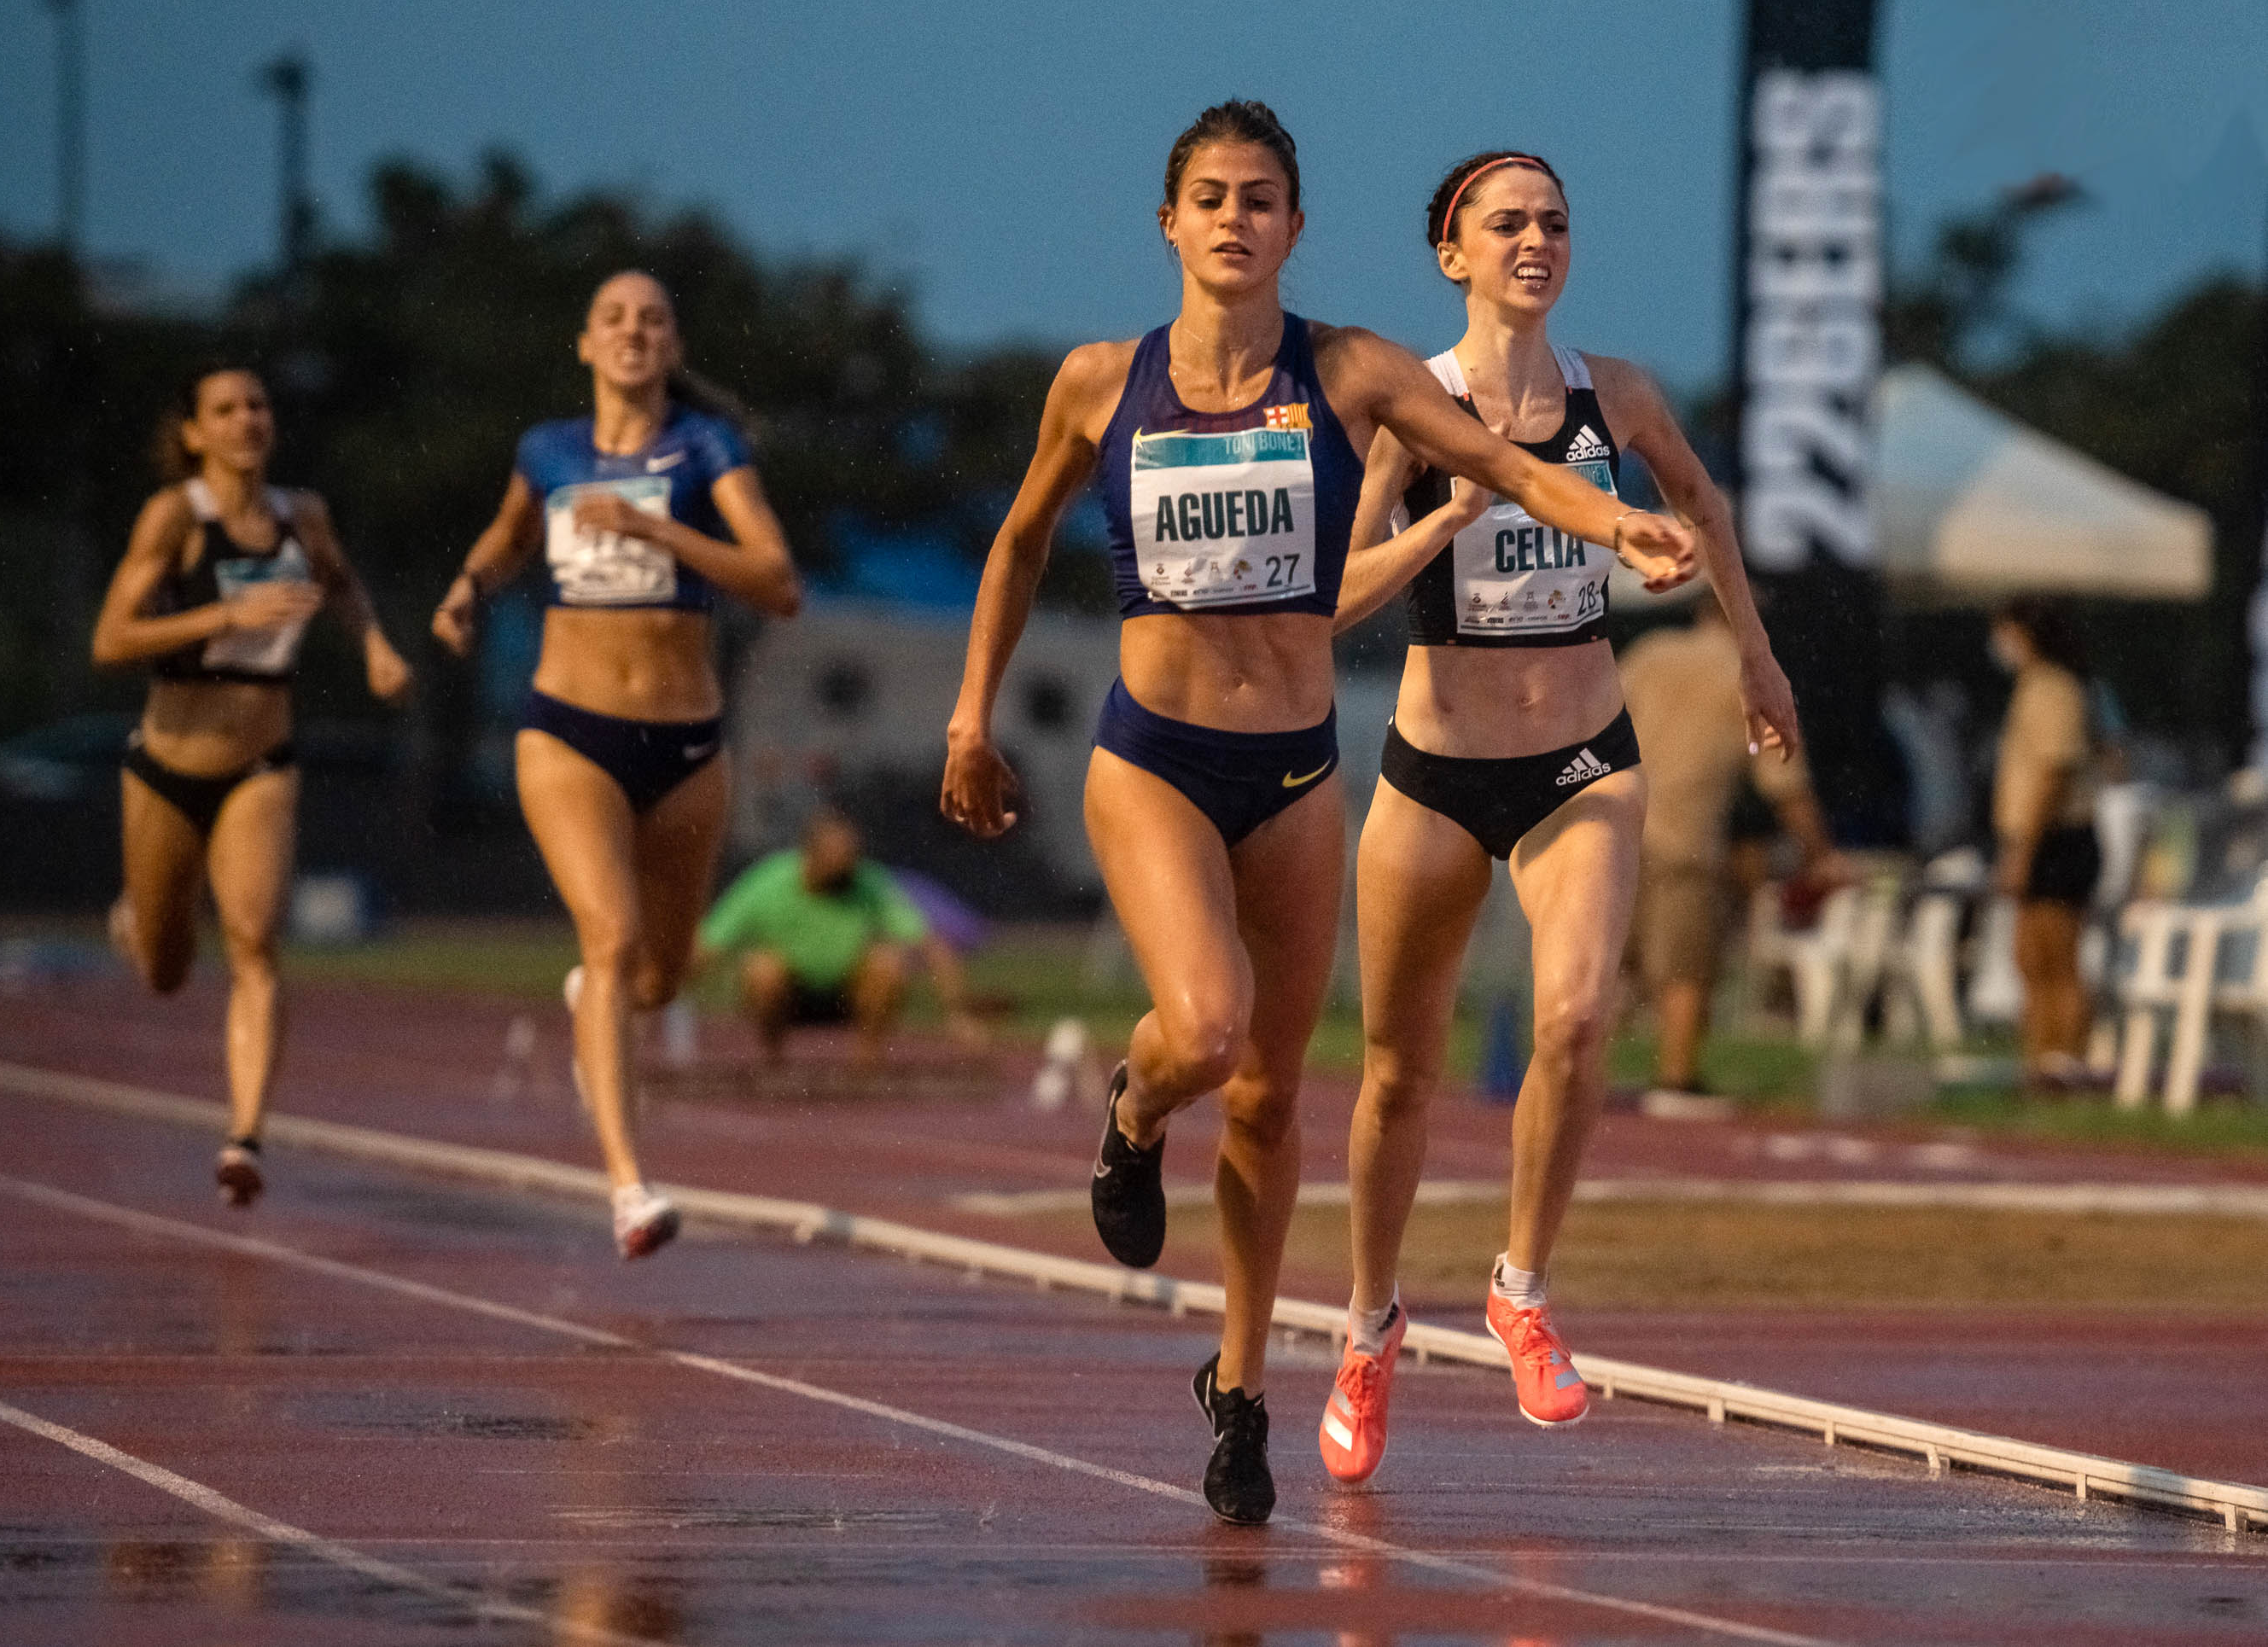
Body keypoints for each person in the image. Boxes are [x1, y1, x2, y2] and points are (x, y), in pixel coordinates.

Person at [940, 103, 1694, 1524]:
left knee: (1278, 1094)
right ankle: (1131, 1103)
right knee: (1208, 1030)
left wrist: (1619, 524)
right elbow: (1023, 535)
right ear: (1170, 222)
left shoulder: (1350, 370)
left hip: (1293, 769)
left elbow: (1514, 467)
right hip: (1154, 753)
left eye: (1264, 198)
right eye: (1212, 197)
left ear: (1297, 226)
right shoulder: (1103, 382)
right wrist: (971, 714)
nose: (1237, 217)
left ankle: (1239, 1386)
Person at [1316, 150, 1798, 1487]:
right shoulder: (1417, 408)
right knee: (1397, 1076)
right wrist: (1449, 518)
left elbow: (1699, 502)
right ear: (1450, 253)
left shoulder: (1616, 394)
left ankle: (1521, 1285)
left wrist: (1756, 657)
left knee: (1579, 1017)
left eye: (1555, 221)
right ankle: (1366, 1326)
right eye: (1506, 222)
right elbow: (1336, 597)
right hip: (1433, 764)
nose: (1535, 239)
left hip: (1583, 757)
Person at [433, 271, 802, 1260]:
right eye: (613, 319)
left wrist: (658, 529)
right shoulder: (547, 451)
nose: (633, 331)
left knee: (661, 975)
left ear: (672, 347)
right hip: (567, 731)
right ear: (585, 345)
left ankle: (601, 995)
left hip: (683, 744)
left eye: (652, 319)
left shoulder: (706, 449)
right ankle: (630, 1187)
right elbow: (507, 540)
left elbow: (776, 581)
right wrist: (468, 587)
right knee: (611, 936)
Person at [91, 364, 410, 1206]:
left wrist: (373, 644)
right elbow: (111, 637)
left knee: (254, 939)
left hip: (262, 761)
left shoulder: (302, 516)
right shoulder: (176, 518)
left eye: (258, 405)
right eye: (225, 409)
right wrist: (223, 615)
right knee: (165, 967)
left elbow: (340, 585)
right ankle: (139, 919)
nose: (246, 419)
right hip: (168, 762)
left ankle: (243, 1136)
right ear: (195, 433)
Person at [1617, 591, 1847, 1114]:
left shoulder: (1650, 651)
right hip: (1688, 834)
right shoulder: (1751, 677)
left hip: (1616, 827)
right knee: (1685, 966)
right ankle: (1676, 1079)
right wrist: (1821, 852)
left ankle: (1572, 1075)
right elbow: (1784, 781)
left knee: (1604, 960)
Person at [697, 807, 982, 1066]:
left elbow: (931, 944)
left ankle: (867, 1062)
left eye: (849, 856)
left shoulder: (869, 883)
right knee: (761, 969)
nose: (844, 865)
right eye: (835, 857)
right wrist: (662, 989)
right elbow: (709, 944)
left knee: (888, 964)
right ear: (810, 853)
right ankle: (773, 1059)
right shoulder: (768, 881)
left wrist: (959, 1015)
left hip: (847, 996)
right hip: (789, 997)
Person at [1988, 595, 2102, 1094]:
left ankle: (2065, 1063)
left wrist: (2022, 851)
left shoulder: (2053, 687)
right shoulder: (2035, 686)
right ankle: (2040, 1062)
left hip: (2056, 838)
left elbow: (2054, 773)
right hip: (2038, 837)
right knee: (2030, 958)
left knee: (2058, 958)